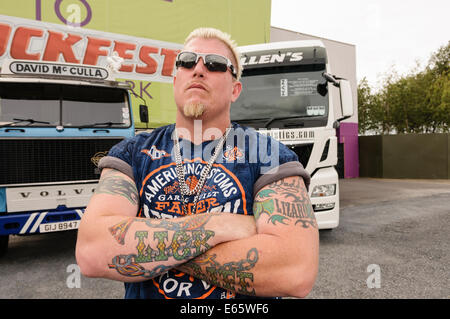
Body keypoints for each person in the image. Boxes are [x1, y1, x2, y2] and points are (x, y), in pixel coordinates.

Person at [75, 27, 319, 299]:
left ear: (235, 89)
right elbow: (92, 251)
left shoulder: (269, 156)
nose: (199, 69)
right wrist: (219, 226)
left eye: (215, 64)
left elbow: (294, 270)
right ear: (175, 78)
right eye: (187, 61)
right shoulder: (132, 153)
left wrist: (147, 248)